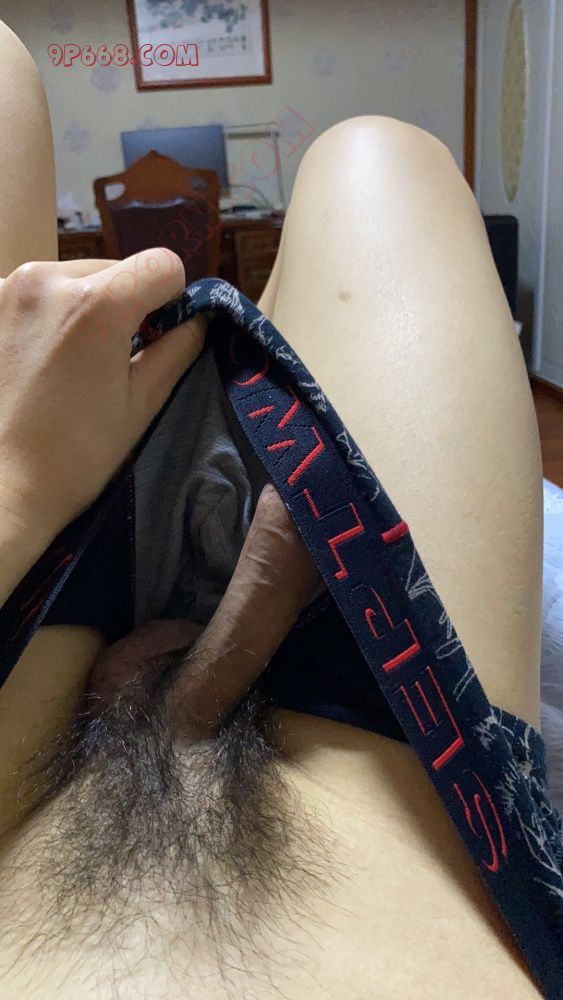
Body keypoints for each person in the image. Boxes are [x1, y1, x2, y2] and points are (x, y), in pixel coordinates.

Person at [0, 20, 551, 999]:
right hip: (399, 797)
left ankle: (167, 653)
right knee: (377, 158)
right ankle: (198, 664)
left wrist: (15, 489)